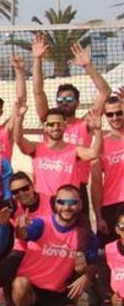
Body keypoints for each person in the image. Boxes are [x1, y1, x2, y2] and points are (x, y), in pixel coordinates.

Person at [30, 36, 112, 201]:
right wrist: (37, 59)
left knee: (81, 227)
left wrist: (88, 67)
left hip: (76, 188)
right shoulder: (48, 119)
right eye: (61, 99)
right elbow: (38, 91)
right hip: (47, 189)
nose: (64, 103)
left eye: (69, 100)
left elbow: (105, 92)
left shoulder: (85, 124)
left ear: (77, 103)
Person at [10, 184, 96, 306]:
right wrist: (21, 228)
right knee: (19, 283)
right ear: (55, 203)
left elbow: (94, 263)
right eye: (61, 202)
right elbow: (23, 235)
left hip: (55, 293)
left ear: (80, 205)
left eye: (72, 203)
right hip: (31, 289)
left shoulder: (85, 236)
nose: (66, 207)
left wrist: (87, 276)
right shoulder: (42, 223)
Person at [13, 104, 102, 217]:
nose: (55, 127)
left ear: (65, 126)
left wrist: (98, 131)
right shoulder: (36, 148)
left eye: (59, 124)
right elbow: (18, 140)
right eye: (51, 124)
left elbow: (95, 153)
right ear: (45, 127)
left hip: (66, 206)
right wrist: (19, 118)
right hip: (43, 208)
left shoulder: (74, 150)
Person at [92, 95, 124, 245]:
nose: (115, 117)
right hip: (112, 206)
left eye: (119, 112)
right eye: (110, 114)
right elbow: (97, 183)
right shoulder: (101, 144)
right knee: (110, 255)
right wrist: (98, 216)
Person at [93, 212, 124, 306]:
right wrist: (111, 297)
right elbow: (101, 284)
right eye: (123, 227)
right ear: (117, 230)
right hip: (118, 302)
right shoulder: (108, 251)